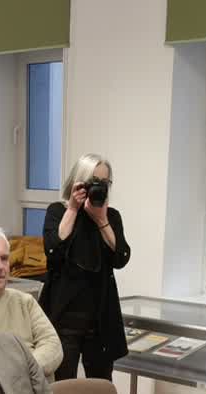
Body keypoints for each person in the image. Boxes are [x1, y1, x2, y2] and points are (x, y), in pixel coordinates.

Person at [38, 154, 130, 381]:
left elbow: (121, 258)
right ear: (79, 181)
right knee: (63, 387)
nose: (99, 187)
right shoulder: (57, 211)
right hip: (64, 317)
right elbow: (53, 251)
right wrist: (72, 208)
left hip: (100, 319)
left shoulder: (111, 217)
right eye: (94, 181)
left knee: (100, 387)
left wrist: (101, 220)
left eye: (105, 182)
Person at [0, 226, 62, 378]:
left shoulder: (24, 301)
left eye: (4, 258)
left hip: (35, 387)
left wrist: (21, 371)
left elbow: (53, 346)